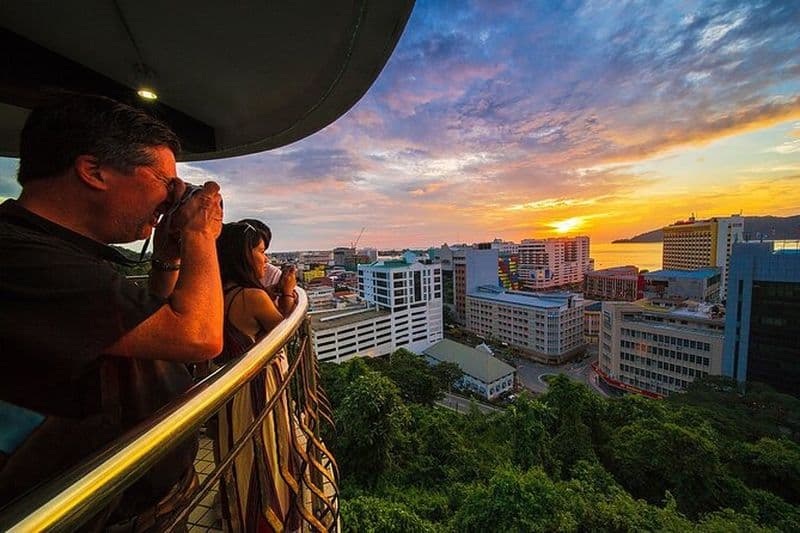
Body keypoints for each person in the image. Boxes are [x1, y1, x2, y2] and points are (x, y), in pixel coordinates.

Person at [0, 95, 224, 529]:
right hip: (79, 511)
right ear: (94, 171)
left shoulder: (53, 251)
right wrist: (201, 233)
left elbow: (146, 327)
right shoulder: (24, 258)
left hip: (110, 501)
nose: (170, 201)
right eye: (166, 183)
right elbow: (197, 336)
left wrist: (168, 254)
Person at [212, 222, 297, 531]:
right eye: (261, 252)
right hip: (256, 391)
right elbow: (285, 334)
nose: (265, 260)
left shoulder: (218, 290)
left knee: (237, 458)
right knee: (265, 457)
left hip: (227, 390)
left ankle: (237, 517)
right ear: (243, 256)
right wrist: (287, 293)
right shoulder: (251, 296)